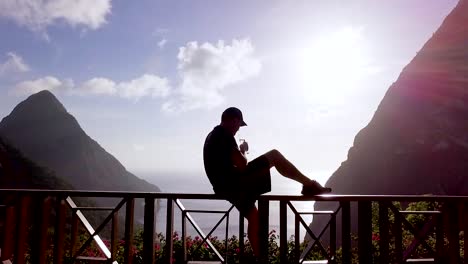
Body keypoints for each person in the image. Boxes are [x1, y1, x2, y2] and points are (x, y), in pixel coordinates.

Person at [203, 107, 331, 258]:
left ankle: (260, 258)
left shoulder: (211, 135)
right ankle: (309, 185)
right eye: (239, 125)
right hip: (235, 183)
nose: (238, 129)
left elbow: (226, 164)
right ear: (234, 120)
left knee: (254, 217)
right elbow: (242, 164)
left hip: (225, 187)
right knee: (274, 156)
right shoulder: (224, 134)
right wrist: (243, 150)